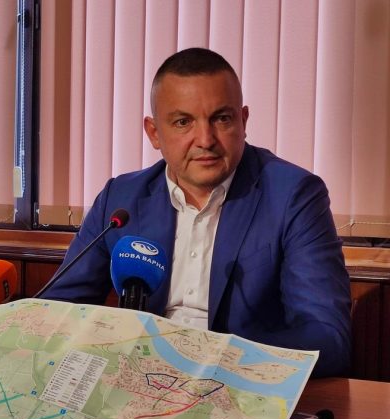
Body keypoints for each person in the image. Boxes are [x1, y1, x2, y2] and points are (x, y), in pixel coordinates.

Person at [40, 48, 352, 378]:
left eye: (222, 119)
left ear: (243, 121)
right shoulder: (121, 199)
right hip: (135, 381)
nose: (205, 139)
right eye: (183, 122)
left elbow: (327, 338)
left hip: (236, 384)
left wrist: (205, 358)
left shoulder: (293, 196)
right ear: (154, 133)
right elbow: (56, 312)